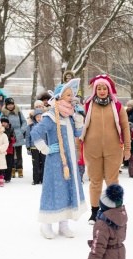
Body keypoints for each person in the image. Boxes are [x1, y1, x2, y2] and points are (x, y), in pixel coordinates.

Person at [30, 78, 87, 239]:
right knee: (54, 190)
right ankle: (46, 225)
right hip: (56, 161)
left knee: (67, 190)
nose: (71, 97)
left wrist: (79, 120)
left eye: (72, 94)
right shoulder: (50, 116)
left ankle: (63, 224)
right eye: (68, 94)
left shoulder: (69, 115)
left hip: (70, 161)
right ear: (59, 97)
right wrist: (46, 149)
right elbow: (35, 133)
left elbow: (78, 134)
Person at [80, 75, 131, 225]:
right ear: (95, 90)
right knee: (95, 182)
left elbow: (125, 127)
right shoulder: (87, 107)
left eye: (105, 88)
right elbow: (79, 128)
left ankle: (113, 212)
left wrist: (127, 148)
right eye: (99, 88)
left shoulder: (118, 107)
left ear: (109, 89)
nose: (102, 91)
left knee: (112, 182)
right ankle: (95, 212)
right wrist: (78, 148)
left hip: (113, 150)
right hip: (92, 150)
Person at [87, 184, 127, 259]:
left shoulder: (102, 223)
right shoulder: (121, 215)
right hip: (119, 253)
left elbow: (98, 244)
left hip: (106, 257)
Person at [1, 97, 27, 178]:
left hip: (18, 134)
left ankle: (20, 169)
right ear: (6, 105)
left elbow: (24, 122)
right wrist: (6, 131)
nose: (10, 106)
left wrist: (21, 130)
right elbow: (1, 123)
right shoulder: (4, 113)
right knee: (10, 154)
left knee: (19, 154)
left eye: (12, 104)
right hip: (9, 135)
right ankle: (12, 169)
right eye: (8, 105)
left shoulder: (18, 111)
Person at [26, 109, 45, 185]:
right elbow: (27, 136)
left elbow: (48, 136)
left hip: (44, 147)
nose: (39, 118)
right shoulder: (30, 126)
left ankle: (43, 179)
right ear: (34, 118)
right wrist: (28, 146)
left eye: (41, 117)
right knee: (35, 164)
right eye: (37, 117)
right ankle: (35, 179)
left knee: (43, 164)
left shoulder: (46, 126)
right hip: (34, 147)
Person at [0, 115, 16, 183]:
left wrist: (10, 140)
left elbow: (15, 139)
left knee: (9, 164)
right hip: (1, 150)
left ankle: (8, 177)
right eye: (2, 122)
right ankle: (2, 175)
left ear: (8, 123)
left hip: (9, 149)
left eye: (5, 122)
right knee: (1, 164)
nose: (3, 124)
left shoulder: (11, 129)